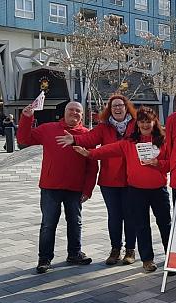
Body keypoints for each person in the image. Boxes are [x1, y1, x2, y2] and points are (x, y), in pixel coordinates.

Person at [73, 107, 171, 273]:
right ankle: (147, 260)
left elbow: (171, 164)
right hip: (137, 191)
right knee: (142, 226)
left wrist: (158, 164)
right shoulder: (129, 143)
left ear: (155, 122)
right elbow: (108, 150)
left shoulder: (163, 141)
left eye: (149, 121)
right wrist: (89, 153)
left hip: (158, 190)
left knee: (165, 224)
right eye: (142, 121)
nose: (146, 124)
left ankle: (171, 257)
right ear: (137, 124)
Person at [17, 102, 99, 274]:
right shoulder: (49, 129)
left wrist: (88, 189)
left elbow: (92, 165)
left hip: (75, 188)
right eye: (71, 110)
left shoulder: (87, 135)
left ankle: (74, 253)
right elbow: (24, 139)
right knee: (48, 224)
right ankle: (44, 258)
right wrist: (26, 118)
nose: (74, 113)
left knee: (75, 223)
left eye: (78, 111)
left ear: (82, 116)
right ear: (64, 112)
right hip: (50, 187)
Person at [56, 95, 138, 266]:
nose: (117, 108)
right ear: (110, 108)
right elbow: (89, 139)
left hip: (132, 178)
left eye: (120, 105)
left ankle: (130, 250)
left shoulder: (136, 124)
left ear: (126, 107)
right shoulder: (104, 127)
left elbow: (151, 136)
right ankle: (115, 249)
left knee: (131, 215)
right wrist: (75, 139)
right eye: (114, 106)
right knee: (114, 217)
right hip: (110, 180)